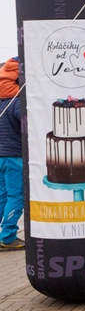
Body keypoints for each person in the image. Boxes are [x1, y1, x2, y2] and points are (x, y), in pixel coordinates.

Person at [0, 57, 24, 251]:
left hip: (0, 156)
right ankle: (7, 237)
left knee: (2, 196)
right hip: (14, 156)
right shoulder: (16, 102)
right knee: (16, 196)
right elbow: (27, 127)